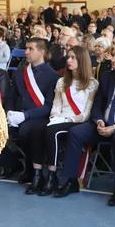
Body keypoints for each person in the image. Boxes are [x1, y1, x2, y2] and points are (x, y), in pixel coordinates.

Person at [54, 45, 115, 206]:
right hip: (104, 124)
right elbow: (98, 105)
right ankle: (71, 181)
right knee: (76, 133)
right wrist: (99, 120)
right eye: (113, 55)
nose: (112, 59)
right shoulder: (107, 77)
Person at [22, 46, 99, 196]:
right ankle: (38, 175)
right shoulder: (61, 82)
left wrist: (67, 119)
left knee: (52, 131)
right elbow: (56, 105)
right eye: (68, 57)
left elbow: (86, 113)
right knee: (37, 128)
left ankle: (53, 176)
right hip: (59, 118)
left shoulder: (92, 83)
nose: (69, 60)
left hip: (77, 121)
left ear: (82, 60)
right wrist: (55, 117)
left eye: (73, 58)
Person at [0, 37, 59, 181]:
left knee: (26, 131)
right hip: (17, 115)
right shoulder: (20, 72)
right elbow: (11, 96)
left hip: (39, 117)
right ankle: (12, 164)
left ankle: (31, 167)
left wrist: (25, 115)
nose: (26, 52)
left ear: (41, 52)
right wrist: (9, 112)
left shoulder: (53, 76)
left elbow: (49, 106)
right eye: (26, 48)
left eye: (30, 49)